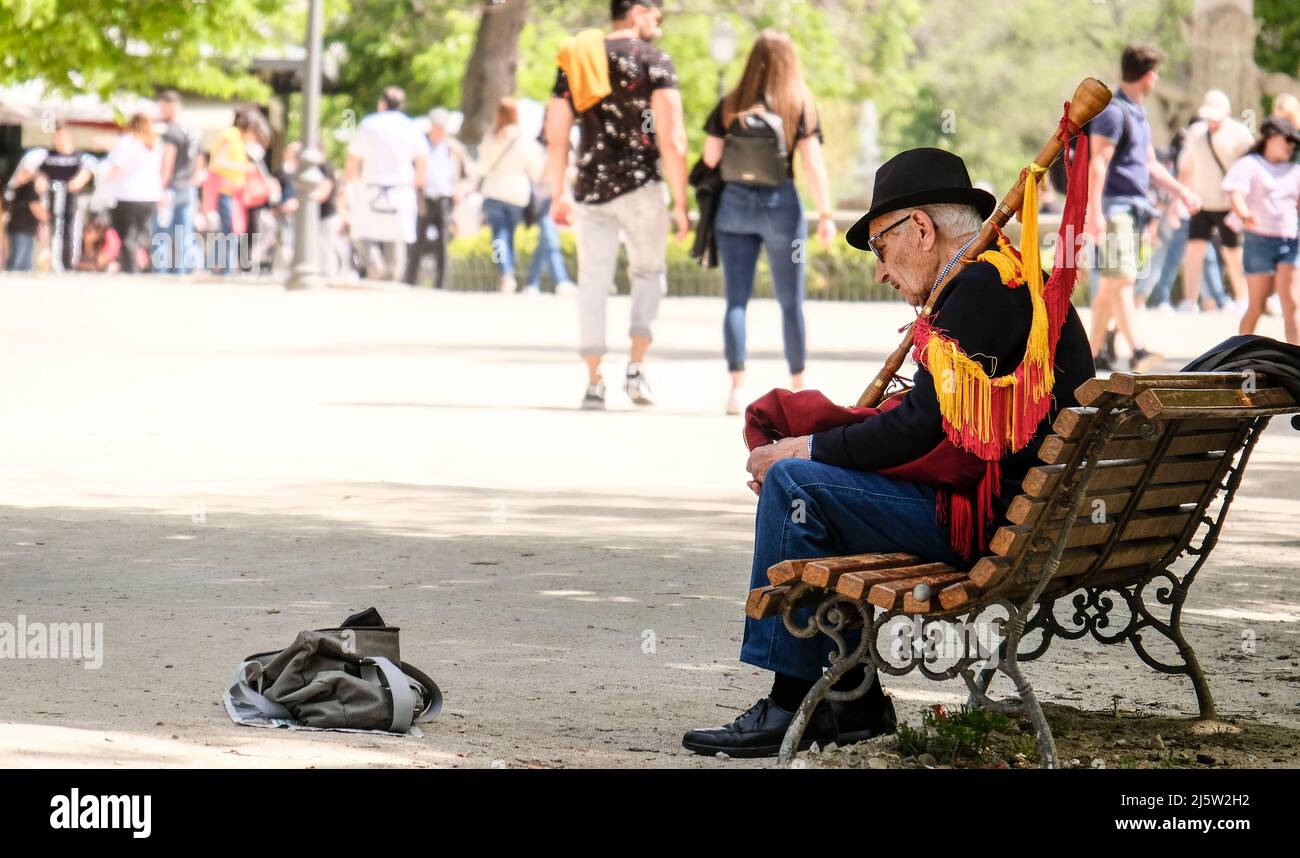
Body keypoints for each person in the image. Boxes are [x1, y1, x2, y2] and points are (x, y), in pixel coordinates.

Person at [680, 147, 1096, 757]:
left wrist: (807, 448)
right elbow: (934, 422)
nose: (880, 270)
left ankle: (796, 700)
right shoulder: (1007, 275)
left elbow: (918, 426)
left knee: (794, 485)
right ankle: (852, 702)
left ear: (921, 228)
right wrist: (818, 451)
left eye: (880, 246)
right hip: (1031, 522)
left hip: (991, 529)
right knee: (807, 485)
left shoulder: (978, 287)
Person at [545, 0, 690, 409]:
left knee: (593, 281)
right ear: (639, 12)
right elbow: (672, 138)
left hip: (591, 190)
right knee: (647, 274)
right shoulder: (654, 61)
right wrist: (681, 202)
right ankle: (636, 370)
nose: (658, 24)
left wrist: (557, 193)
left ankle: (594, 381)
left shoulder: (577, 58)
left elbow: (556, 136)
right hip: (642, 188)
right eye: (657, 16)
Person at [702, 29, 835, 414]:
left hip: (733, 210)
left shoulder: (731, 102)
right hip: (782, 210)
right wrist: (826, 214)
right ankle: (798, 386)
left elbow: (711, 158)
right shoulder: (799, 104)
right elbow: (812, 163)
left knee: (736, 301)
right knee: (790, 302)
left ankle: (736, 389)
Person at [1086, 44, 1199, 371]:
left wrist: (1181, 191)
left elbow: (1149, 163)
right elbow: (1098, 162)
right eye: (1157, 74)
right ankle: (1137, 349)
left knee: (1112, 282)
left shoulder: (1137, 112)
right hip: (1116, 209)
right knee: (1122, 278)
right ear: (1149, 76)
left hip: (1134, 208)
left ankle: (1092, 353)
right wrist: (1094, 213)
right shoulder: (1113, 112)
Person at [1177, 90, 1254, 314]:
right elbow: (1187, 166)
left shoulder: (1240, 134)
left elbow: (1251, 170)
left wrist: (1245, 203)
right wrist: (1183, 195)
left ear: (1227, 113)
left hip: (1229, 204)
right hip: (1201, 202)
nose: (1211, 122)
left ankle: (1243, 298)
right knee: (1194, 250)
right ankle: (1189, 301)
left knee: (1233, 252)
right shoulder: (1195, 133)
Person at [1224, 117, 1300, 342]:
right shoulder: (1250, 164)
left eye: (1294, 143)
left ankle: (1295, 355)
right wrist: (1245, 215)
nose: (1291, 146)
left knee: (1292, 302)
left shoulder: (1294, 170)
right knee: (1257, 305)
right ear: (1271, 138)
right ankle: (1238, 352)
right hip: (1259, 241)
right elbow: (1236, 194)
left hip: (1290, 240)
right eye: (1287, 140)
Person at [344, 86, 427, 281]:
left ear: (382, 104)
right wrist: (417, 182)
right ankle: (393, 272)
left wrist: (352, 181)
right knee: (396, 234)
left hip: (371, 185)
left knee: (361, 231)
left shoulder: (369, 124)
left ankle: (376, 265)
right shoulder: (410, 126)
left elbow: (353, 159)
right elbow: (422, 161)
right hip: (401, 187)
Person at [478, 97, 544, 293]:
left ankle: (504, 272)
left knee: (498, 235)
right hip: (517, 192)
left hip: (494, 189)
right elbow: (534, 170)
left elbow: (482, 166)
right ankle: (508, 272)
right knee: (510, 234)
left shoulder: (491, 136)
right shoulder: (524, 138)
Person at [405, 108, 467, 290]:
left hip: (444, 198)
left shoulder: (454, 149)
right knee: (417, 240)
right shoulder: (419, 145)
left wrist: (460, 190)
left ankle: (441, 284)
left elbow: (468, 176)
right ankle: (409, 280)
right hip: (423, 198)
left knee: (443, 243)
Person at [104, 113, 164, 274]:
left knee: (126, 235)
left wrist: (104, 182)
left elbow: (118, 167)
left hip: (127, 194)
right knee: (141, 233)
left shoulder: (126, 142)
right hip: (149, 195)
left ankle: (131, 269)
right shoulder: (155, 144)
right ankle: (147, 267)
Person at [523, 114, 575, 295]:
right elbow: (534, 175)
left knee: (545, 242)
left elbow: (573, 172)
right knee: (551, 240)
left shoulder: (568, 145)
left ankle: (532, 283)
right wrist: (549, 165)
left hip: (561, 198)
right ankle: (561, 281)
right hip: (543, 199)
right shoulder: (536, 147)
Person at [206, 107, 258, 274]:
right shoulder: (231, 136)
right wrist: (243, 167)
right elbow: (217, 162)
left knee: (229, 230)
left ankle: (219, 267)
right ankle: (224, 269)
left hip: (232, 192)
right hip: (224, 190)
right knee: (229, 231)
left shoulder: (237, 139)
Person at [154, 90, 201, 274]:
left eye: (162, 107)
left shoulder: (172, 131)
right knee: (184, 234)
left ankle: (160, 273)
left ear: (171, 106)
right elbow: (199, 160)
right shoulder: (193, 130)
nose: (161, 111)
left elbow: (168, 159)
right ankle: (184, 271)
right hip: (188, 187)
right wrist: (194, 181)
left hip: (172, 187)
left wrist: (161, 187)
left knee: (161, 233)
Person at [4, 171, 47, 271]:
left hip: (23, 230)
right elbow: (36, 208)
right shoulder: (29, 188)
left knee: (24, 262)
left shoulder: (22, 189)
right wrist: (52, 217)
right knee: (19, 262)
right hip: (21, 229)